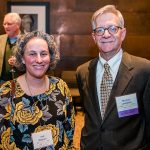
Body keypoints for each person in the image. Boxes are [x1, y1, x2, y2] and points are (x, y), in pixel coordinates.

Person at [76, 5, 150, 150]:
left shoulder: (144, 70)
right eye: (100, 30)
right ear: (94, 36)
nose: (106, 34)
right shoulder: (82, 71)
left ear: (123, 33)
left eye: (112, 28)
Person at [0, 31, 75, 149]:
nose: (39, 60)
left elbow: (69, 131)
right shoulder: (6, 92)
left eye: (44, 53)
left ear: (50, 57)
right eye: (32, 54)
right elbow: (3, 140)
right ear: (22, 58)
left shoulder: (60, 86)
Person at [0, 12, 21, 82]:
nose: (6, 26)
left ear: (18, 25)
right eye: (4, 24)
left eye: (9, 24)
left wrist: (19, 62)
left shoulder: (27, 40)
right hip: (2, 82)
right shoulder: (1, 39)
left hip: (21, 81)